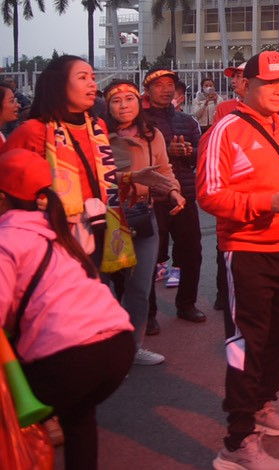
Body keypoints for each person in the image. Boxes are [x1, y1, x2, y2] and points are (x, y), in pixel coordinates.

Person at [197, 50, 279, 470]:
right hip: (247, 254)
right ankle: (237, 441)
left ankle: (261, 406)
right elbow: (209, 195)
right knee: (245, 346)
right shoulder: (225, 130)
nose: (278, 91)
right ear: (246, 85)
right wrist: (263, 201)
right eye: (269, 83)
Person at [0, 148, 135, 470]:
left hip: (68, 357)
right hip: (117, 347)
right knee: (78, 418)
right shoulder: (58, 231)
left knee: (13, 419)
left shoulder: (7, 239)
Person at [103, 79, 187, 366]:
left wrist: (173, 190)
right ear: (107, 105)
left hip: (143, 215)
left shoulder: (152, 134)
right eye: (116, 100)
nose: (123, 105)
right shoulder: (97, 136)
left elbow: (164, 168)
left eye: (129, 99)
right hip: (108, 219)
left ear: (139, 102)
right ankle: (106, 352)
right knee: (105, 289)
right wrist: (127, 179)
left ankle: (133, 348)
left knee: (139, 287)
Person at [0, 55, 110, 256]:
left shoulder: (98, 128)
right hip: (54, 236)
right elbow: (6, 186)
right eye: (83, 77)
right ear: (59, 85)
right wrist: (34, 201)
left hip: (102, 227)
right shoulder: (33, 130)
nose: (92, 84)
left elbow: (95, 176)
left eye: (92, 77)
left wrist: (132, 178)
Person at [141, 68, 205, 327]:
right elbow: (135, 159)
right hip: (152, 198)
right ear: (147, 91)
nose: (166, 89)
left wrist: (189, 151)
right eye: (159, 85)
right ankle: (149, 313)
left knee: (191, 252)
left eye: (170, 84)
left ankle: (186, 304)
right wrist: (166, 151)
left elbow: (199, 154)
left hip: (184, 195)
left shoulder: (187, 121)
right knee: (151, 257)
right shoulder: (138, 122)